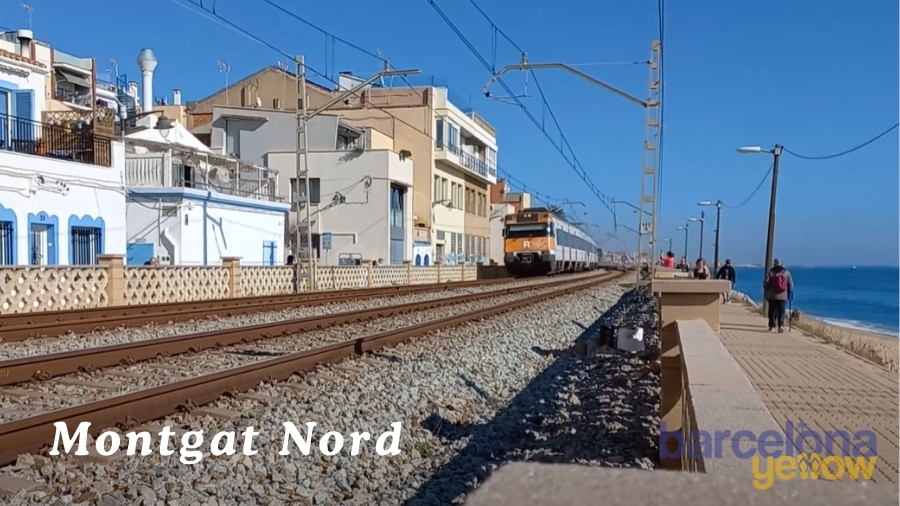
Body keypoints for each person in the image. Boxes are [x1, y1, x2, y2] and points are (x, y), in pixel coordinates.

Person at [763, 259, 795, 333]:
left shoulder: (771, 272)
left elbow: (765, 283)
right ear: (782, 264)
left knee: (772, 311)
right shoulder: (787, 273)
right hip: (783, 296)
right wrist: (789, 294)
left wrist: (767, 290)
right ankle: (781, 325)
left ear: (774, 264)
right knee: (782, 311)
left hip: (772, 295)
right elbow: (791, 285)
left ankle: (772, 326)